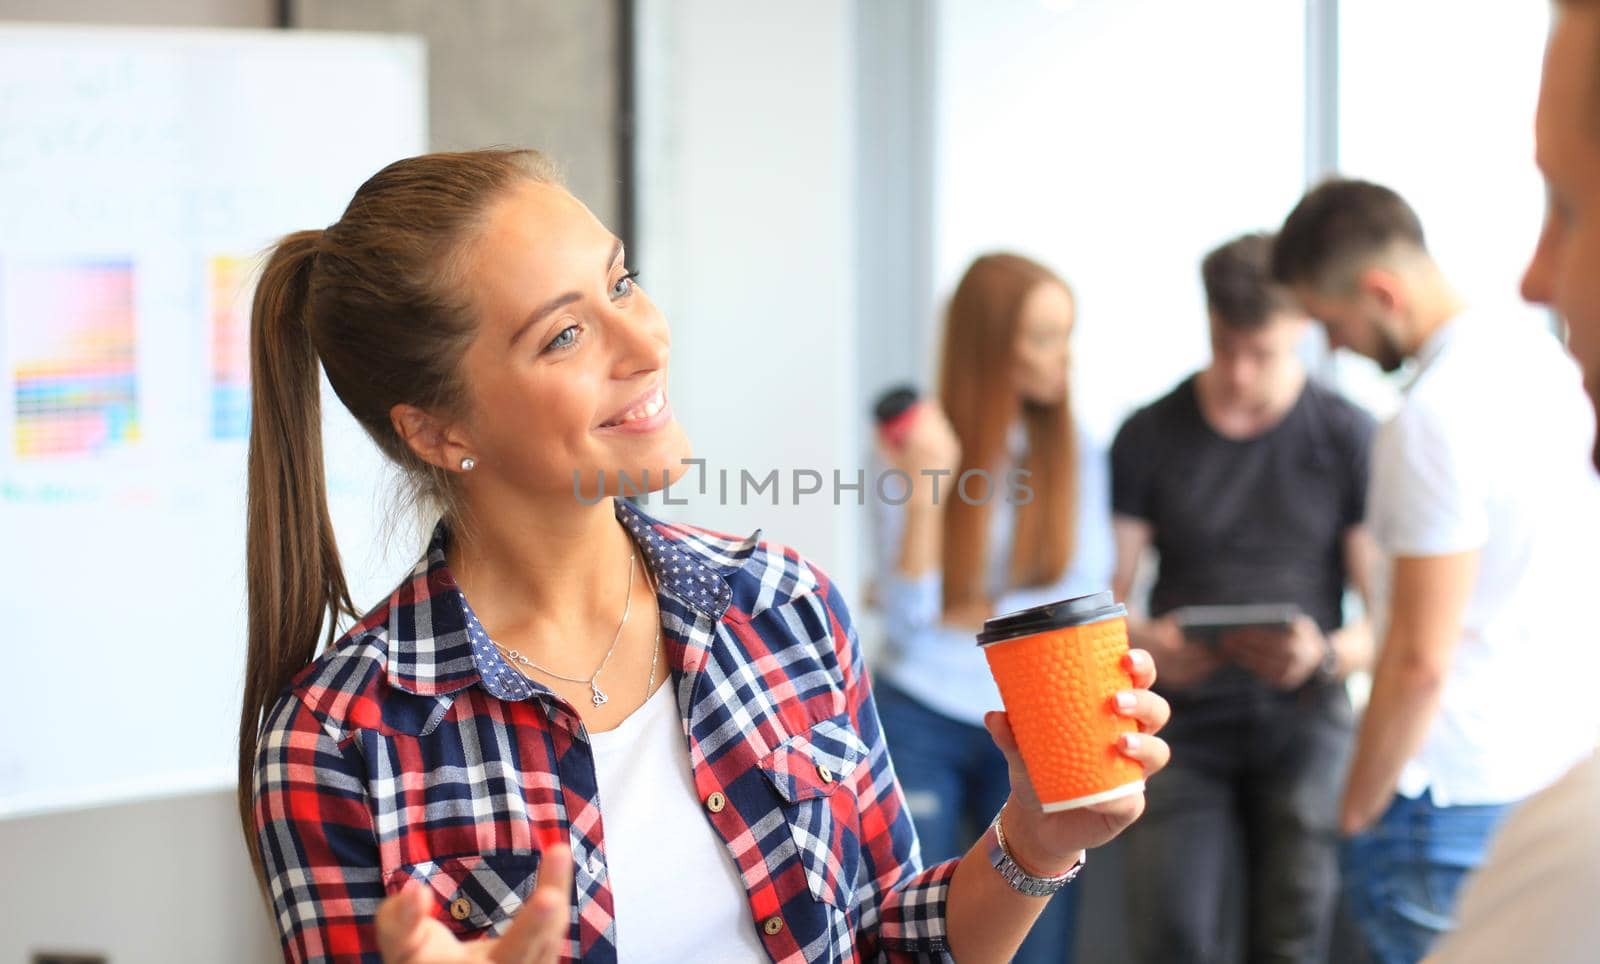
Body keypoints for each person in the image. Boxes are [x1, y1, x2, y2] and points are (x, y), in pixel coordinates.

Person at [236, 149, 1173, 964]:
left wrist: (1036, 841)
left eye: (622, 282)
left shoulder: (784, 607)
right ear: (437, 431)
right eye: (565, 335)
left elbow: (890, 937)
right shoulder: (339, 739)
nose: (645, 342)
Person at [1271, 177, 1600, 963]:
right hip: (1546, 772)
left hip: (1442, 800)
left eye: (1331, 321)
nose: (1336, 345)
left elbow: (1419, 658)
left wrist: (1353, 812)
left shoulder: (1429, 417)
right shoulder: (1552, 367)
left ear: (1380, 292)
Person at [1109, 232, 1377, 964]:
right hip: (1181, 724)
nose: (1238, 372)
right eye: (1224, 347)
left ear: (1301, 327)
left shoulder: (1347, 434)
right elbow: (1105, 602)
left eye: (1260, 353)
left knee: (1294, 936)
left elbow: (1385, 624)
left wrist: (1322, 654)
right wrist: (1147, 643)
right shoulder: (1148, 433)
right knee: (1175, 934)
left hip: (1303, 720)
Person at [869, 252, 1115, 964]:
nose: (1062, 358)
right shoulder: (913, 446)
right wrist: (924, 486)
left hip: (1037, 714)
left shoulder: (1076, 449)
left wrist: (970, 607)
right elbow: (912, 615)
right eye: (1043, 337)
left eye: (1066, 335)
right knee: (914, 928)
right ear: (989, 344)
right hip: (921, 711)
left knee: (1035, 939)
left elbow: (1078, 596)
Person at [1427, 3, 1600, 959]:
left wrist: (1360, 806)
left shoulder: (1577, 867)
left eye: (1570, 206)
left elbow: (1417, 652)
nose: (1536, 278)